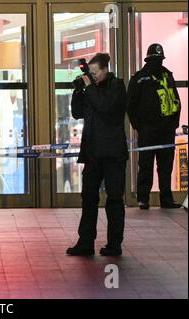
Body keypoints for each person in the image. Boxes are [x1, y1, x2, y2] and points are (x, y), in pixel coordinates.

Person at [66, 53, 128, 257]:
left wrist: (89, 87)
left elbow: (106, 107)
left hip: (113, 155)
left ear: (104, 70)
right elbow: (77, 113)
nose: (92, 77)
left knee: (114, 200)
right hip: (92, 154)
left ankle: (114, 244)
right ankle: (85, 242)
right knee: (89, 198)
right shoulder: (91, 90)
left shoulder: (117, 86)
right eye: (89, 74)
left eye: (94, 73)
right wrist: (78, 91)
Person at [127, 44, 182, 210]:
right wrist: (138, 126)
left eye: (160, 60)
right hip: (148, 130)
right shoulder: (139, 78)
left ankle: (166, 199)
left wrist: (174, 123)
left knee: (165, 166)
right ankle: (143, 198)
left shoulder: (167, 75)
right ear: (148, 60)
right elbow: (131, 105)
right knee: (146, 165)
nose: (158, 63)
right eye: (155, 60)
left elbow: (176, 100)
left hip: (166, 130)